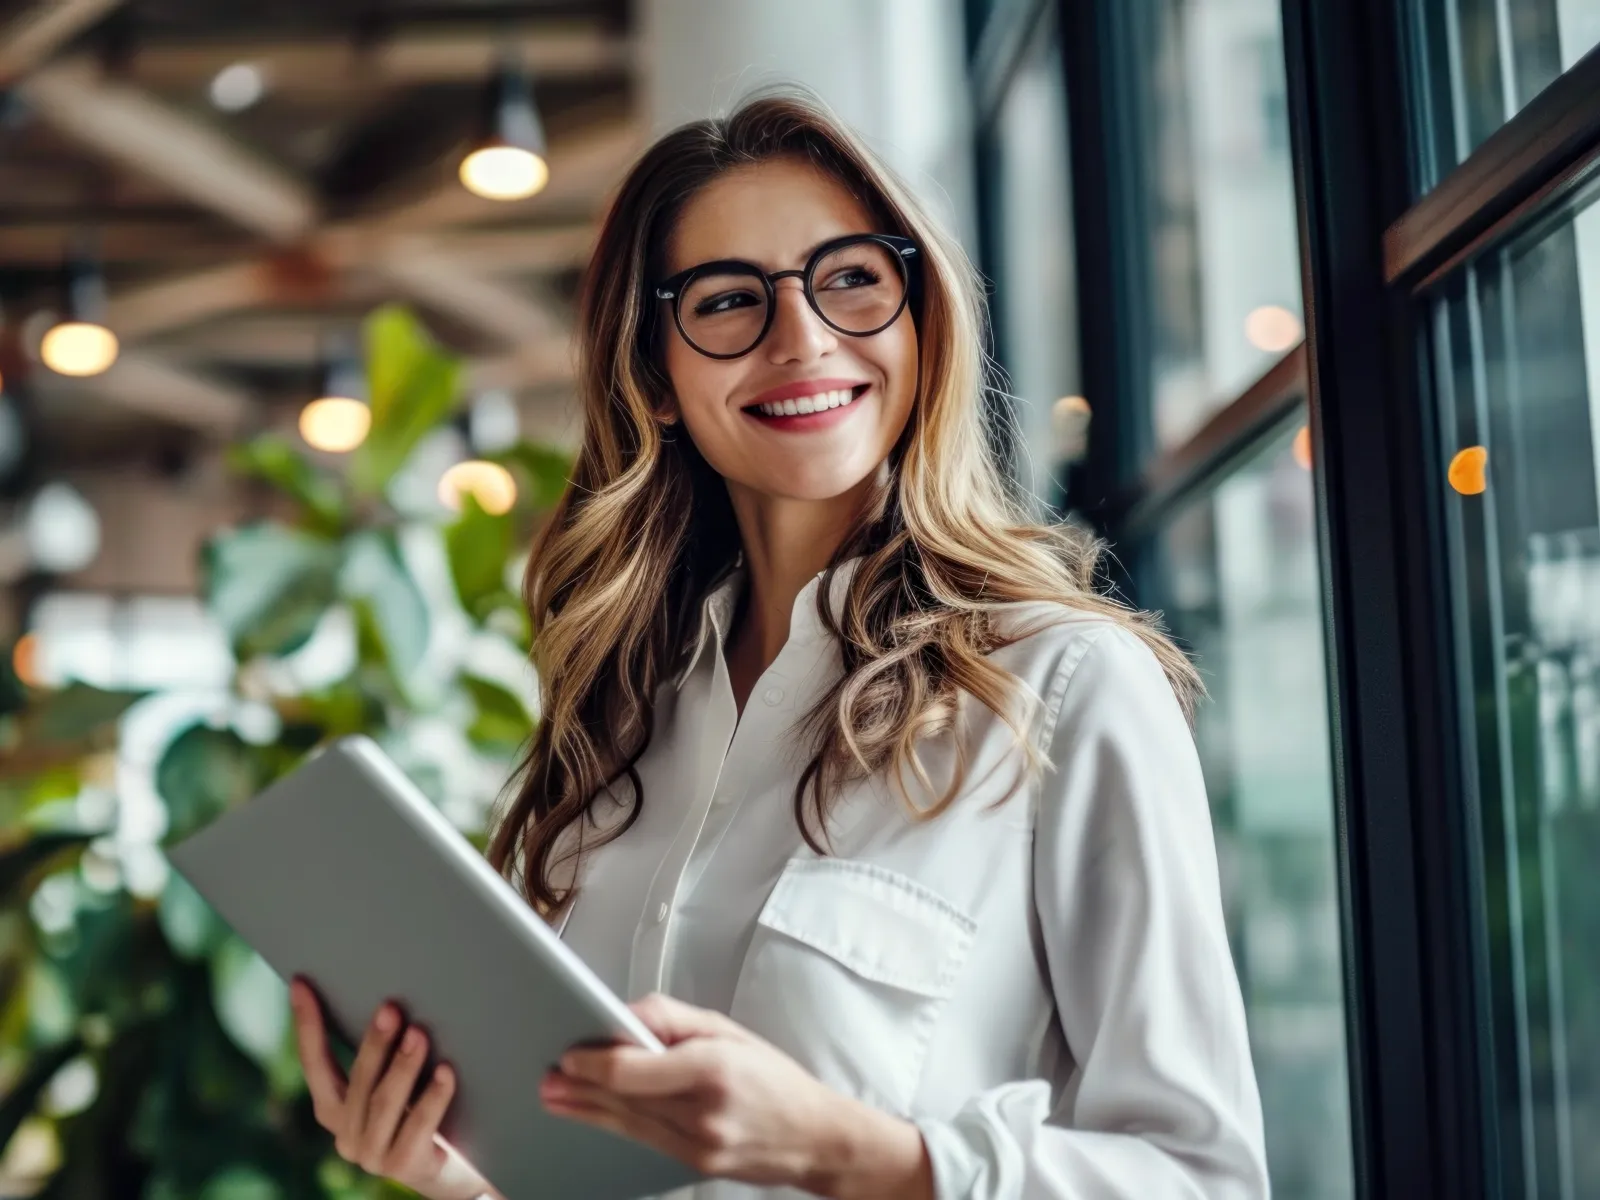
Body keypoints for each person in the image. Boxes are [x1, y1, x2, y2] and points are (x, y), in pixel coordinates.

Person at [287, 92, 1269, 1200]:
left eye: (851, 277)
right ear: (654, 377)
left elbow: (1205, 1179)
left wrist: (854, 1156)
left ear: (918, 318)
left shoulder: (1063, 683)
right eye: (726, 301)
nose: (802, 339)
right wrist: (457, 1174)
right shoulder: (623, 715)